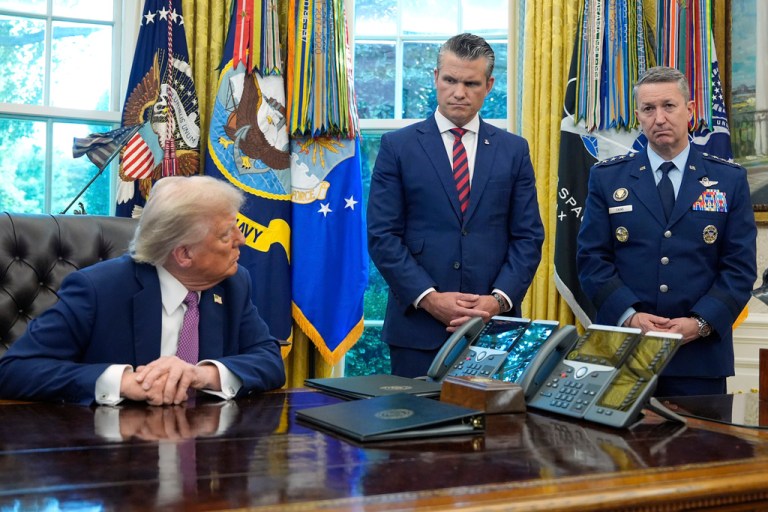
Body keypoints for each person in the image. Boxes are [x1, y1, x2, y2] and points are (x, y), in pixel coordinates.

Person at [0, 175, 286, 406]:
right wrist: (123, 382)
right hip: (115, 448)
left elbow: (269, 360)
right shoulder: (98, 289)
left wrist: (201, 375)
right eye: (226, 235)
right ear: (184, 254)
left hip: (208, 445)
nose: (241, 240)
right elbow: (14, 370)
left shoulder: (233, 284)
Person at [367, 33, 545, 378]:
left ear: (489, 85)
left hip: (494, 330)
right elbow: (382, 236)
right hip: (417, 331)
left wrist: (497, 301)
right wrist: (429, 298)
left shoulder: (514, 150)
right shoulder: (397, 147)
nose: (459, 92)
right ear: (436, 78)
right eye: (450, 80)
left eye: (471, 83)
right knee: (415, 414)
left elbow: (528, 237)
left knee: (497, 417)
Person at [577, 66, 757, 397]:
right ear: (638, 116)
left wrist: (701, 322)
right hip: (625, 352)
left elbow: (739, 267)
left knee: (700, 434)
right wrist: (630, 316)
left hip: (700, 358)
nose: (659, 118)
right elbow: (592, 260)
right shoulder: (608, 178)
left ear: (689, 110)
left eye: (669, 106)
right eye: (648, 109)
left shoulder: (728, 180)